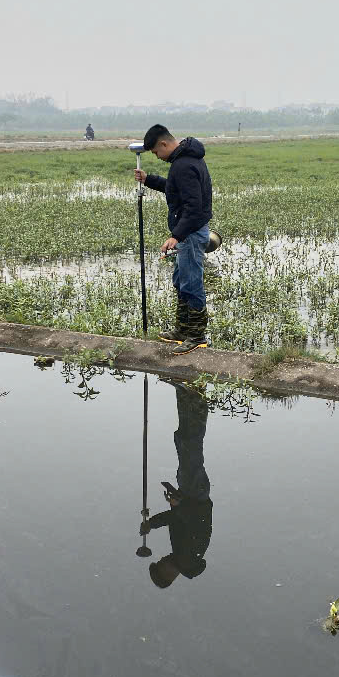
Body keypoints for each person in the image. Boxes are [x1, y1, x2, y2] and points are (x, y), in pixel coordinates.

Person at [135, 123, 212, 351]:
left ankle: (196, 336)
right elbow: (175, 188)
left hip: (190, 233)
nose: (157, 157)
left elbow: (193, 207)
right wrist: (149, 179)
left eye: (156, 152)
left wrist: (176, 236)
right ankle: (183, 329)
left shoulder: (183, 165)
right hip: (189, 232)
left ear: (164, 144)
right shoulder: (185, 159)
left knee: (191, 282)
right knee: (181, 280)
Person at [140, 384, 212, 588]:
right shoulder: (188, 558)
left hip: (190, 492)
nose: (162, 560)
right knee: (191, 445)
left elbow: (175, 519)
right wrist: (178, 506)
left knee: (183, 441)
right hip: (195, 494)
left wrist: (152, 523)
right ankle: (196, 395)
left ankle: (185, 393)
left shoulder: (181, 554)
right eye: (161, 565)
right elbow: (198, 521)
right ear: (167, 574)